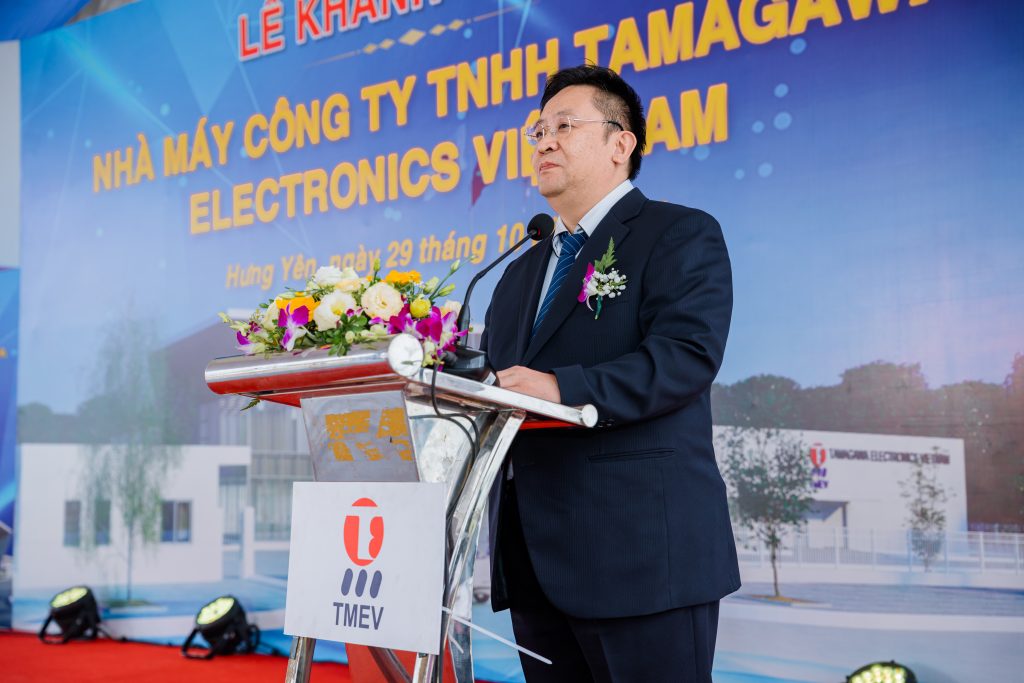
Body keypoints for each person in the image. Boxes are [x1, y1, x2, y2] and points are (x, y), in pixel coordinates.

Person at [480, 64, 740, 683]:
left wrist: (562, 388)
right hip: (535, 558)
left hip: (641, 554)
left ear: (621, 144)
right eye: (539, 130)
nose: (545, 142)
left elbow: (686, 355)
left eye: (564, 126)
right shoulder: (517, 271)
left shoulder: (678, 233)